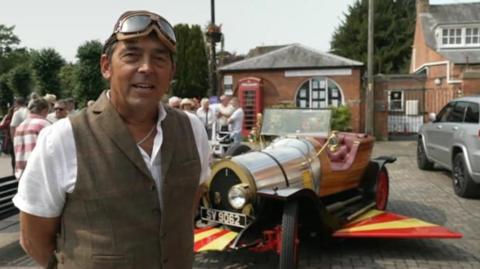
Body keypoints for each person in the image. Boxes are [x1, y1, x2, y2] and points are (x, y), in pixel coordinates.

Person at [13, 10, 210, 269]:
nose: (147, 68)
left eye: (159, 59)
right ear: (106, 66)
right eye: (132, 55)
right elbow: (33, 237)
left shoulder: (192, 129)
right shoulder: (63, 138)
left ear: (172, 71)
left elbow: (190, 201)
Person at [13, 98, 51, 179]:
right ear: (44, 110)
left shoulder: (20, 126)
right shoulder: (44, 124)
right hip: (38, 172)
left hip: (21, 173)